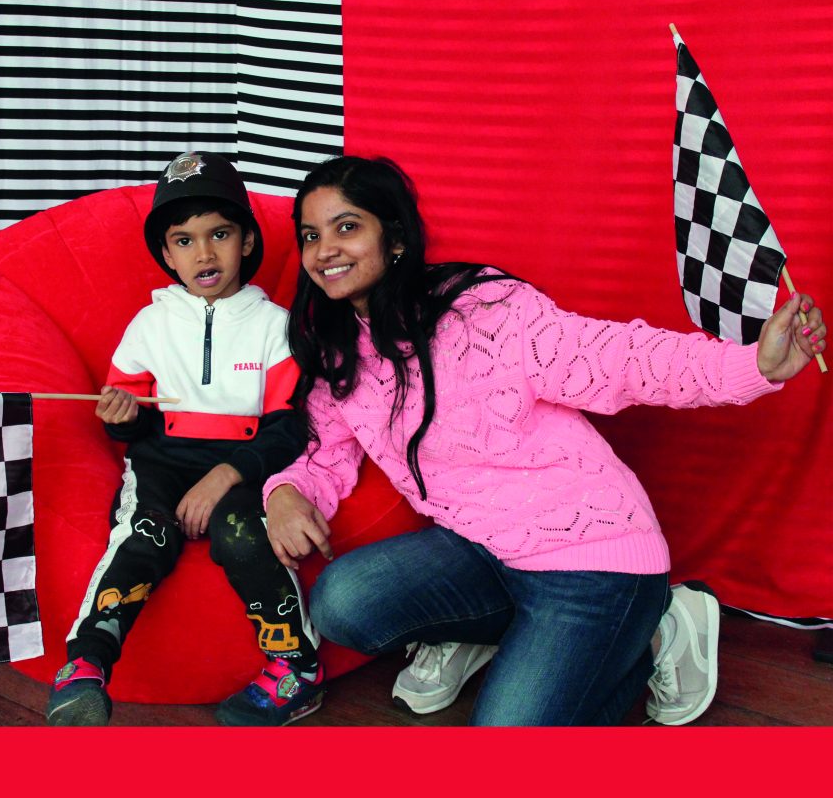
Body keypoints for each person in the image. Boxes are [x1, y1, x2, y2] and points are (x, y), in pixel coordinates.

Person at [262, 155, 826, 727]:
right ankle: (497, 634)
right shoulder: (337, 352)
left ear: (397, 237)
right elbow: (325, 454)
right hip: (479, 548)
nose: (324, 250)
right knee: (342, 603)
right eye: (311, 235)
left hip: (591, 559)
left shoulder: (485, 309)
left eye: (347, 226)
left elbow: (617, 358)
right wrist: (286, 491)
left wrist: (754, 366)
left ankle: (657, 628)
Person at [45, 151, 324, 727]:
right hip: (163, 462)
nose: (204, 253)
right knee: (144, 536)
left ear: (246, 241)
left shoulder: (276, 326)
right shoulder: (149, 323)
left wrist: (226, 478)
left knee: (243, 535)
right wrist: (121, 417)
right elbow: (132, 421)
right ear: (166, 254)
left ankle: (297, 665)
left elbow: (289, 428)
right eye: (184, 240)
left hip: (243, 465)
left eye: (219, 234)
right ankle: (86, 668)